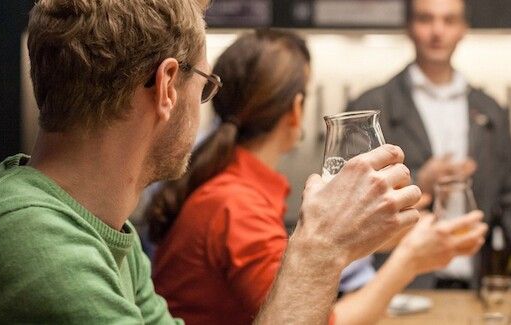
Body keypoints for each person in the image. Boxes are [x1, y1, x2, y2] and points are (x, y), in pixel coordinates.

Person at [0, 1, 423, 323]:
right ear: (167, 86)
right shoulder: (37, 251)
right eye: (206, 86)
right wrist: (320, 249)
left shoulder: (106, 232)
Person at [145, 29, 487, 325]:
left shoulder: (230, 188)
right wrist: (409, 261)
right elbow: (312, 318)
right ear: (296, 110)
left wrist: (384, 237)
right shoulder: (236, 205)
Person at [348, 0, 511, 289]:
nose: (437, 31)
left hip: (477, 284)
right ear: (409, 27)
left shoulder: (490, 111)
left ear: (463, 29)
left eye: (449, 20)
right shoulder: (372, 107)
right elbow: (352, 202)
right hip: (397, 288)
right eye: (426, 19)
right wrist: (420, 182)